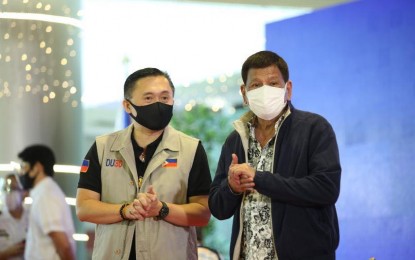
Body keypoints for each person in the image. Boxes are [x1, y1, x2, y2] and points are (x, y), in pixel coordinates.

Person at [208, 50, 341, 260]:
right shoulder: (235, 139)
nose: (264, 91)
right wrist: (232, 188)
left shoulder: (314, 129)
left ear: (288, 89)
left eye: (273, 84)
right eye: (256, 85)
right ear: (244, 93)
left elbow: (326, 189)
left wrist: (259, 178)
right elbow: (218, 208)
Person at [76, 67, 212, 259]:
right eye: (148, 98)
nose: (158, 104)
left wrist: (162, 209)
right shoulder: (103, 147)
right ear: (127, 106)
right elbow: (84, 208)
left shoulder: (190, 149)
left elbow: (203, 213)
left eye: (165, 98)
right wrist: (125, 210)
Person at [17, 145, 76, 260]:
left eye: (24, 166)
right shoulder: (43, 192)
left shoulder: (45, 195)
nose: (21, 172)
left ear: (37, 167)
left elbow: (63, 245)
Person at [0, 174, 29, 260]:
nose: (8, 193)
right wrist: (7, 253)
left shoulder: (33, 218)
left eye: (13, 189)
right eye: (5, 189)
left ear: (25, 193)